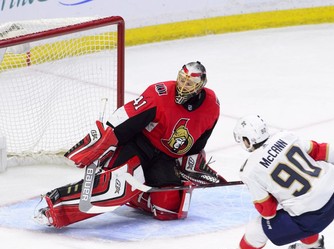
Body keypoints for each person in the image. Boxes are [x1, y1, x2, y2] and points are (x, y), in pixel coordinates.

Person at [34, 61, 226, 228]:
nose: (183, 86)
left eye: (189, 83)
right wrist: (101, 145)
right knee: (114, 187)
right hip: (137, 147)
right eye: (181, 79)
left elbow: (198, 141)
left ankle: (135, 194)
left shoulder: (212, 106)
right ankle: (56, 206)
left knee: (169, 208)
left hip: (165, 159)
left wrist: (192, 165)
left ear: (200, 85)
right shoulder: (159, 94)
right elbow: (123, 119)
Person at [216, 114, 334, 249]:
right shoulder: (285, 136)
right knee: (298, 210)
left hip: (311, 217)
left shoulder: (249, 170)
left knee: (258, 227)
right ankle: (314, 245)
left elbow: (268, 211)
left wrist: (277, 195)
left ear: (247, 140)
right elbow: (325, 150)